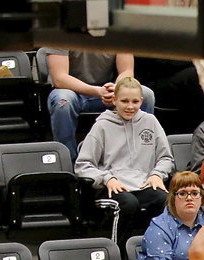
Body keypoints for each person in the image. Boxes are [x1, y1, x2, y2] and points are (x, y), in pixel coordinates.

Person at [74, 77, 174, 243]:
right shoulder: (101, 126)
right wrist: (107, 178)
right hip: (113, 186)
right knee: (128, 204)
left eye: (135, 101)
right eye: (124, 101)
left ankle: (154, 248)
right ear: (114, 100)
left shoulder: (150, 121)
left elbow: (165, 158)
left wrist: (157, 174)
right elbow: (83, 165)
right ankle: (117, 252)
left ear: (142, 101)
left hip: (143, 183)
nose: (130, 106)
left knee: (163, 199)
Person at [45, 48, 155, 158]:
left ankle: (140, 156)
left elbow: (126, 70)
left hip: (107, 89)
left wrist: (117, 89)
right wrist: (97, 91)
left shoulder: (119, 33)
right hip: (72, 91)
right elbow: (59, 78)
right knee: (63, 101)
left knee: (146, 95)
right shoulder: (59, 33)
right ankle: (68, 159)